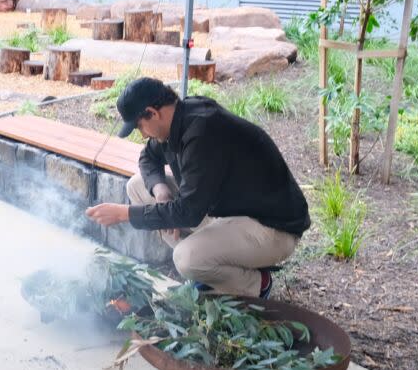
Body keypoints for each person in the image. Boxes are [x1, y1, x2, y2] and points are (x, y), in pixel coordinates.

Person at [85, 77, 310, 298]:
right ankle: (208, 270)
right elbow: (147, 158)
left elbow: (188, 213)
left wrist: (124, 214)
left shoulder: (203, 132)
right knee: (138, 186)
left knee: (185, 258)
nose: (143, 134)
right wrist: (160, 191)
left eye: (140, 127)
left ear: (153, 113)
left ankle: (255, 283)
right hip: (225, 210)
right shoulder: (177, 121)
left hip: (272, 228)